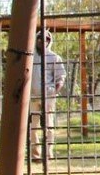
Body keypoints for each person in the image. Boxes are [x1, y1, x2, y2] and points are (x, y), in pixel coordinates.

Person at [30, 29, 66, 162]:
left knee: (49, 126)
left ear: (49, 41)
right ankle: (35, 155)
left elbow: (60, 77)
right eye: (39, 38)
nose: (41, 41)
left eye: (45, 39)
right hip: (32, 97)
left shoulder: (54, 57)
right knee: (32, 127)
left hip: (48, 96)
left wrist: (55, 91)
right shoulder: (30, 56)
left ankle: (48, 154)